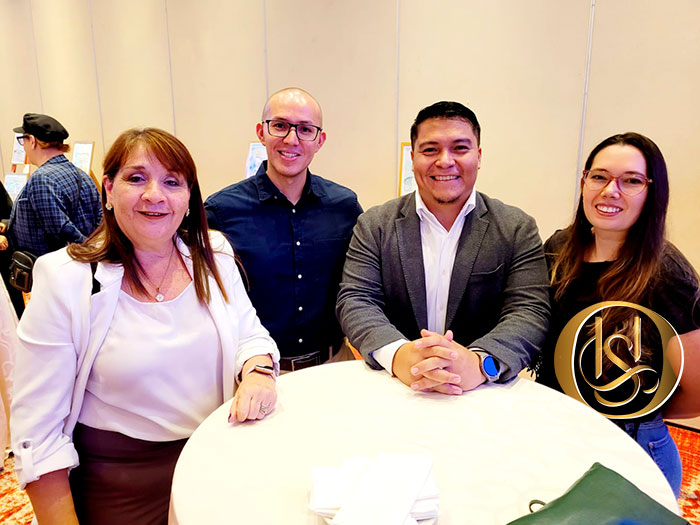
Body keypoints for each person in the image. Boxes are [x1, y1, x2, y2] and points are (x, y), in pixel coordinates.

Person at [10, 128, 280, 525]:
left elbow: (250, 333)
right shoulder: (67, 277)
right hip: (123, 485)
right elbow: (38, 433)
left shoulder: (213, 255)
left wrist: (257, 371)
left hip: (216, 459)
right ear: (108, 189)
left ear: (188, 197)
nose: (155, 195)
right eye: (136, 178)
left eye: (172, 182)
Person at [336, 101, 550, 394]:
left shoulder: (516, 228)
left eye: (460, 148)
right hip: (397, 389)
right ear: (413, 157)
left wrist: (480, 363)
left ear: (478, 156)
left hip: (482, 394)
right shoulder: (375, 225)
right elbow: (356, 299)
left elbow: (529, 310)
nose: (445, 161)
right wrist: (399, 355)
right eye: (430, 149)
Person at [533, 132, 700, 498]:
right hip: (556, 433)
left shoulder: (667, 274)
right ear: (584, 182)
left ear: (652, 192)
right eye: (599, 177)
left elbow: (697, 390)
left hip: (630, 448)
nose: (610, 191)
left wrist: (638, 414)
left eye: (631, 181)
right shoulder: (558, 249)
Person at [206, 88, 362, 371]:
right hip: (259, 372)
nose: (291, 139)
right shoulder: (221, 212)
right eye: (279, 126)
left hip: (335, 365)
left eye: (305, 129)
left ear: (320, 140)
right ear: (261, 132)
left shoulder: (344, 206)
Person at [2, 113, 102, 257]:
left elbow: (61, 229)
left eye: (23, 140)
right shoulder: (81, 174)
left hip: (52, 265)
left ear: (32, 141)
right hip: (81, 263)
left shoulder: (41, 179)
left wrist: (89, 252)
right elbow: (100, 219)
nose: (24, 147)